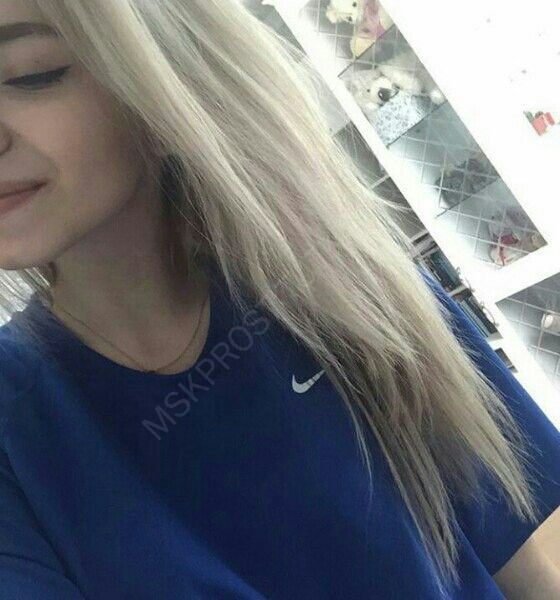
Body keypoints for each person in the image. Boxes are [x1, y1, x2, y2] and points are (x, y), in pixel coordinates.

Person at [0, 1, 558, 598]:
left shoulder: (339, 284)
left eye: (30, 73)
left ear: (165, 71)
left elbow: (522, 555)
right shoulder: (18, 425)